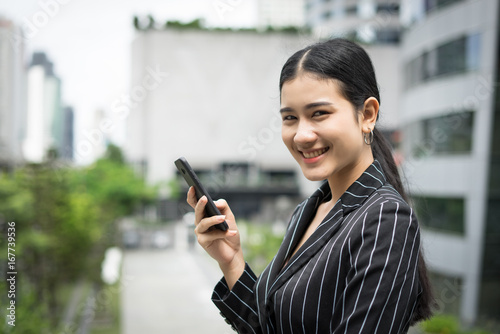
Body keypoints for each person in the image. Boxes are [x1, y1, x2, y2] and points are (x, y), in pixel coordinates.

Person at [187, 38, 433, 334]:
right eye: (290, 117)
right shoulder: (308, 210)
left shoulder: (386, 220)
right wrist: (231, 261)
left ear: (367, 114)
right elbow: (271, 328)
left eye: (319, 113)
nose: (302, 135)